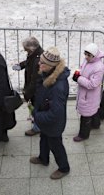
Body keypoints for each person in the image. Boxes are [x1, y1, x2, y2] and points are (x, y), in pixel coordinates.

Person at [30, 47, 71, 180]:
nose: (39, 64)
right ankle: (43, 158)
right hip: (45, 120)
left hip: (53, 123)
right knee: (44, 138)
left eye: (42, 63)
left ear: (51, 66)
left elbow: (55, 114)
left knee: (56, 145)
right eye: (40, 61)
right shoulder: (49, 75)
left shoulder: (58, 87)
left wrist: (37, 116)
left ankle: (64, 168)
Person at [73, 43, 104, 142]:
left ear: (94, 56)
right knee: (93, 110)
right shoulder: (88, 60)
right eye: (85, 54)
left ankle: (83, 135)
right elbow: (82, 67)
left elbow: (93, 84)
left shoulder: (98, 67)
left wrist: (79, 78)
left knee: (86, 115)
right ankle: (95, 124)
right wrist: (78, 72)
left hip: (89, 96)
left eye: (88, 55)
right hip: (86, 94)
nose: (86, 57)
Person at [14, 36, 43, 137]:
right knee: (34, 106)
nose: (24, 50)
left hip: (36, 89)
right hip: (32, 87)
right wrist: (21, 65)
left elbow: (35, 80)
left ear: (31, 48)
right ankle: (37, 122)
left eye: (26, 49)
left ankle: (37, 127)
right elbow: (28, 62)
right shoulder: (34, 55)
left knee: (36, 107)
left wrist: (28, 94)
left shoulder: (38, 59)